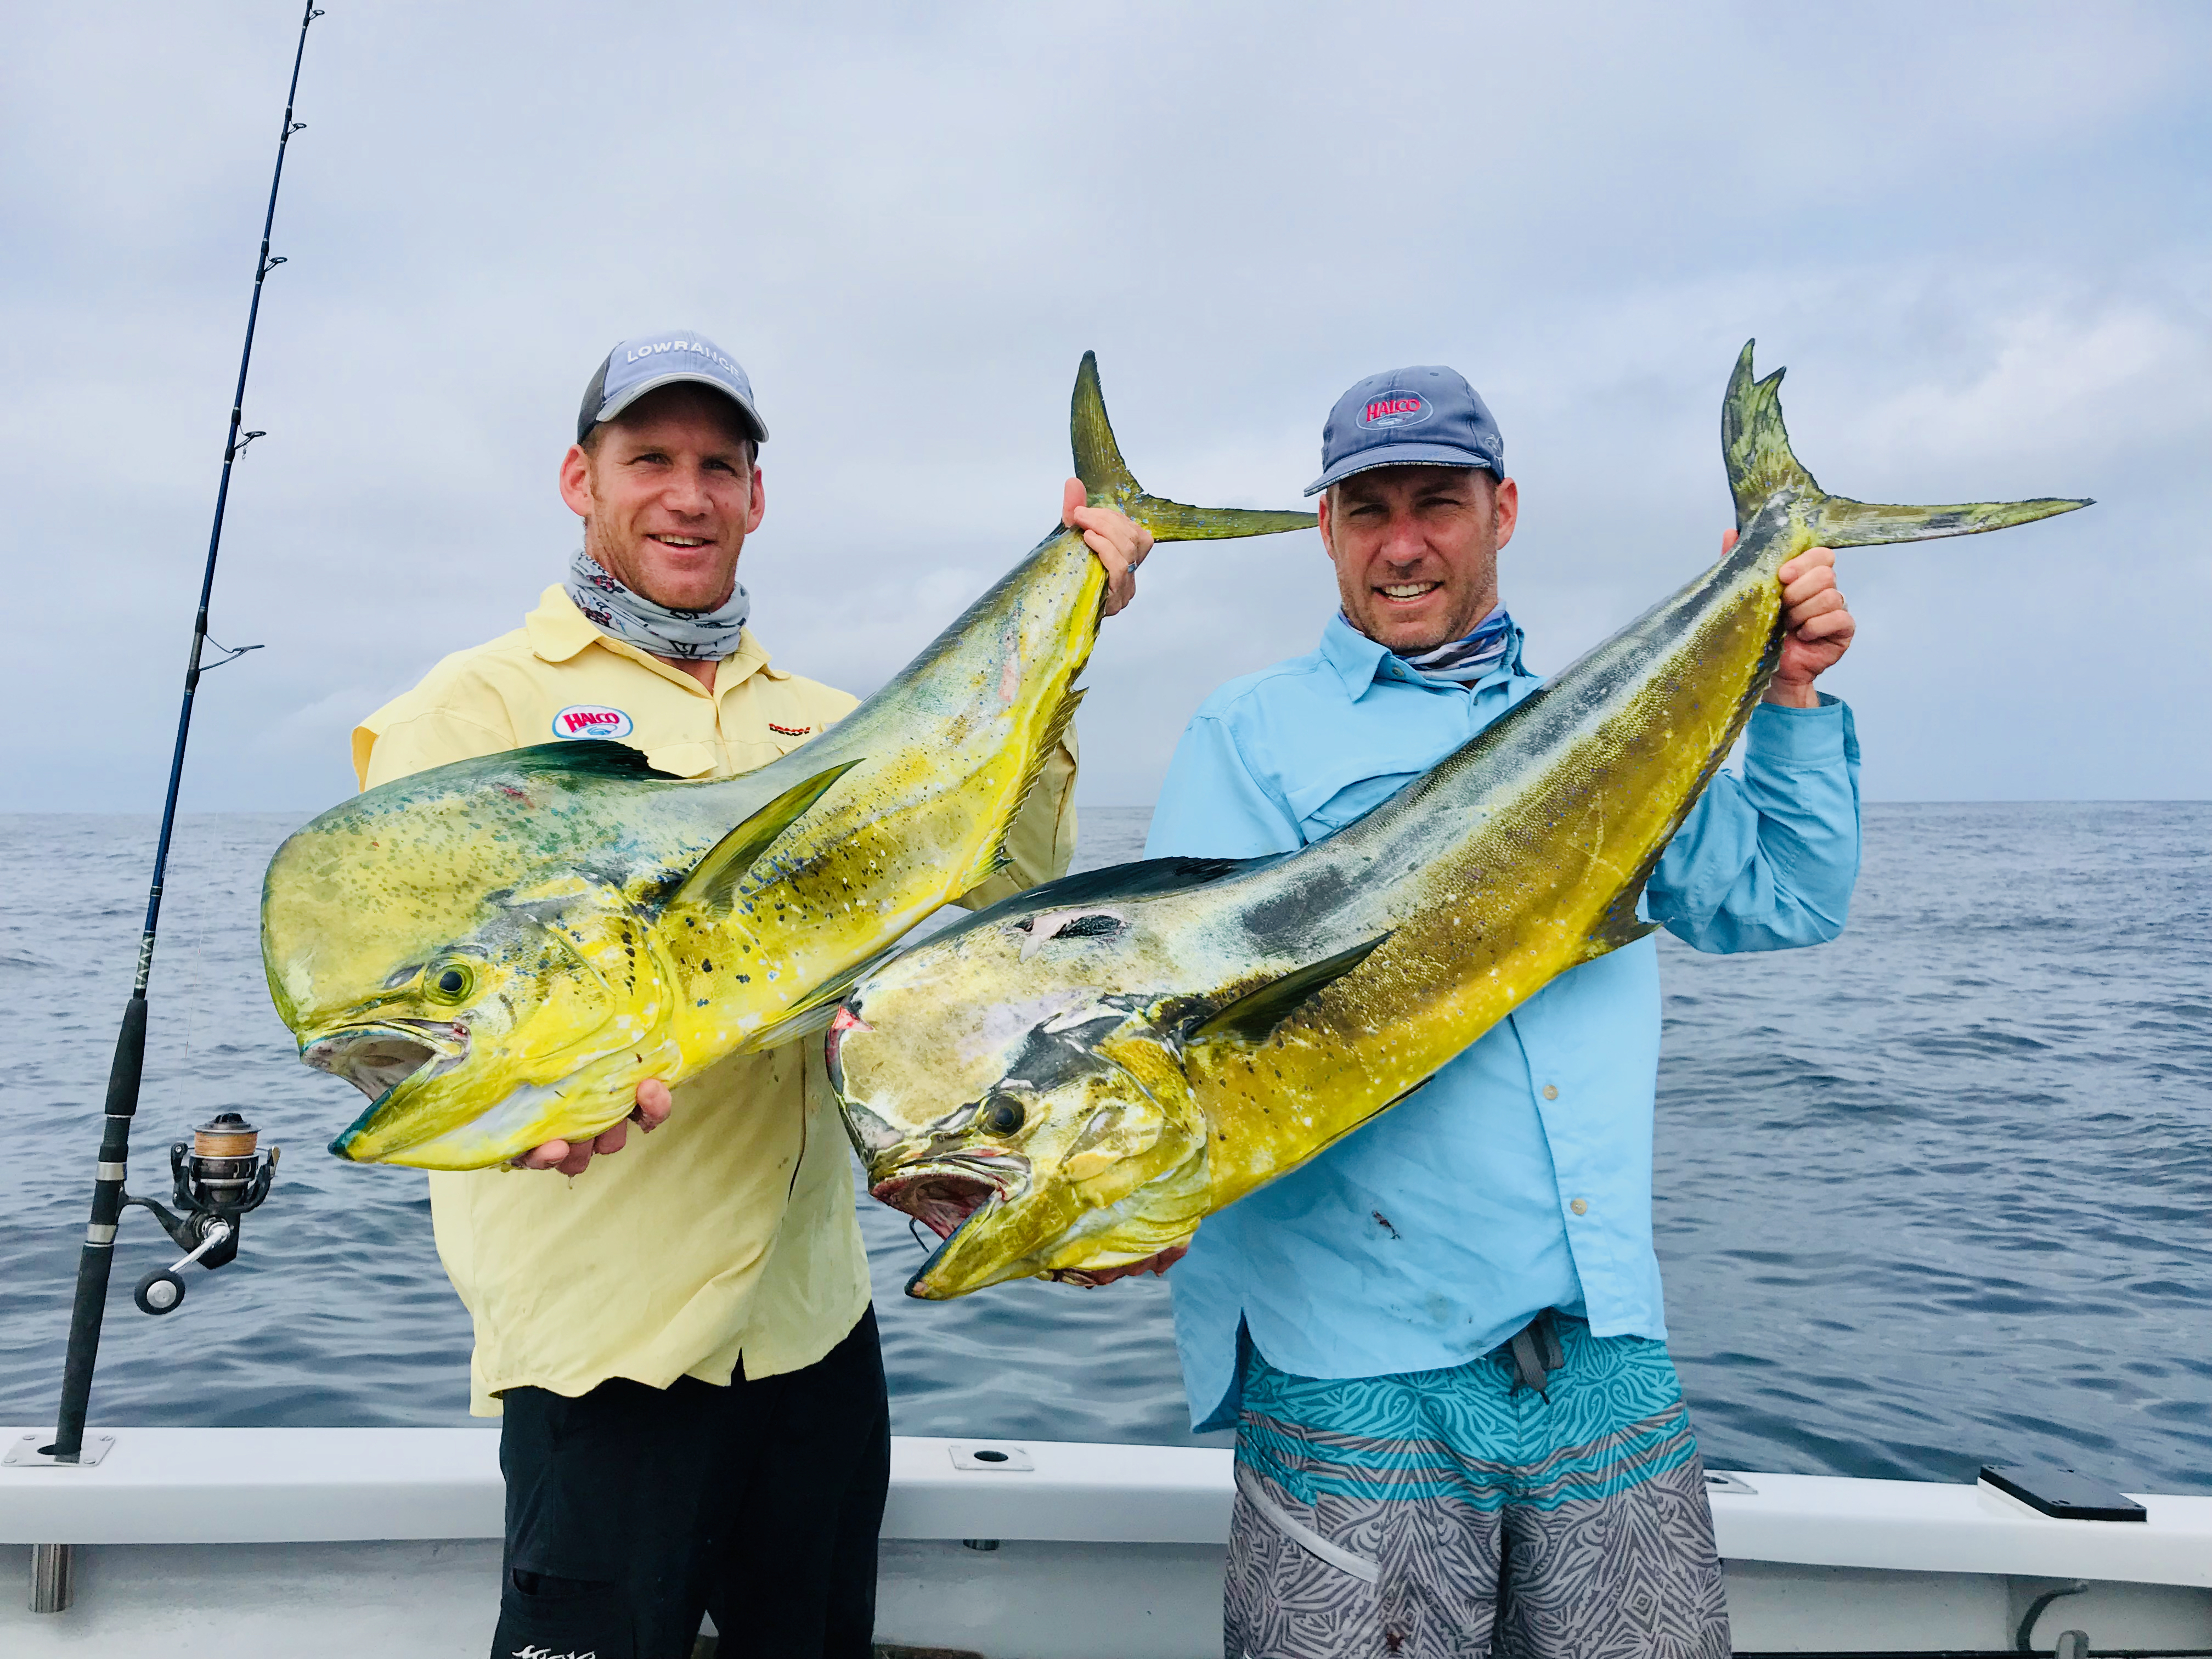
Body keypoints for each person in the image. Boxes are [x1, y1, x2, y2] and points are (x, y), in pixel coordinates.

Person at [349, 329, 1153, 1659]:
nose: (688, 493)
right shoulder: (470, 712)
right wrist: (485, 1108)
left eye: (720, 464)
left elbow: (1016, 870)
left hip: (812, 1338)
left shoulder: (829, 723)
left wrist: (1060, 645)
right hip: (605, 1343)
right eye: (648, 458)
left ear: (756, 497)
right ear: (579, 478)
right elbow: (421, 991)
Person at [1139, 365, 1861, 1658]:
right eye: (1367, 512)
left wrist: (1790, 694)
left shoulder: (1607, 724)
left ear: (1504, 510)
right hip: (1359, 1368)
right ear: (1326, 530)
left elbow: (1785, 903)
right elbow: (1204, 1041)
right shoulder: (1249, 735)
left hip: (1604, 1351)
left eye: (1439, 504)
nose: (1403, 544)